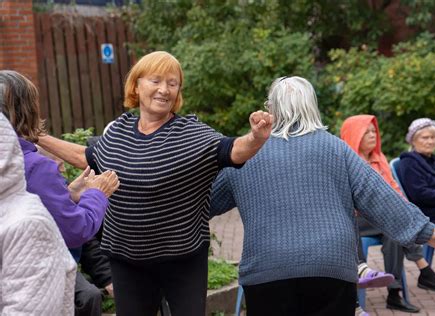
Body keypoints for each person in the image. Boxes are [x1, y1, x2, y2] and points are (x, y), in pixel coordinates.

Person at [37, 51, 273, 316]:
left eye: (172, 83)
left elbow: (233, 150)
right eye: (156, 81)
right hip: (127, 261)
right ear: (136, 85)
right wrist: (39, 137)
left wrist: (256, 138)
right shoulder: (119, 130)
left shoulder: (190, 134)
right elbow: (87, 156)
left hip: (182, 261)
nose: (164, 90)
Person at [209, 76, 435, 316]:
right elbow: (378, 195)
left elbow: (205, 203)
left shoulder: (247, 151)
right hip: (331, 265)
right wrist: (425, 231)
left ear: (271, 107)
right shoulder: (335, 148)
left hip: (267, 268)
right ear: (312, 106)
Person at [0, 70, 120, 316]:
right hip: (31, 282)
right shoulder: (34, 166)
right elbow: (76, 230)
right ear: (26, 112)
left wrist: (68, 193)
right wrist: (97, 194)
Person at [341, 115, 435, 314]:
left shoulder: (379, 158)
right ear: (354, 134)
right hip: (354, 219)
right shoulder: (346, 160)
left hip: (380, 218)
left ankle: (394, 294)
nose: (372, 135)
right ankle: (424, 270)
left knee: (394, 232)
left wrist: (403, 211)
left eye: (374, 131)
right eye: (366, 131)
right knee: (394, 224)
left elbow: (394, 189)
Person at [0, 113, 76, 315]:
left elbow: (74, 228)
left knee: (88, 297)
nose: (61, 165)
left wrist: (95, 196)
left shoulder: (27, 223)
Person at [37, 145, 114, 316]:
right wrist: (96, 195)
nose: (64, 168)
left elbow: (86, 240)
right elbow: (78, 230)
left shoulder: (58, 187)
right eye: (58, 164)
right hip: (41, 265)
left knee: (90, 296)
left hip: (64, 265)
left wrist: (107, 277)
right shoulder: (36, 187)